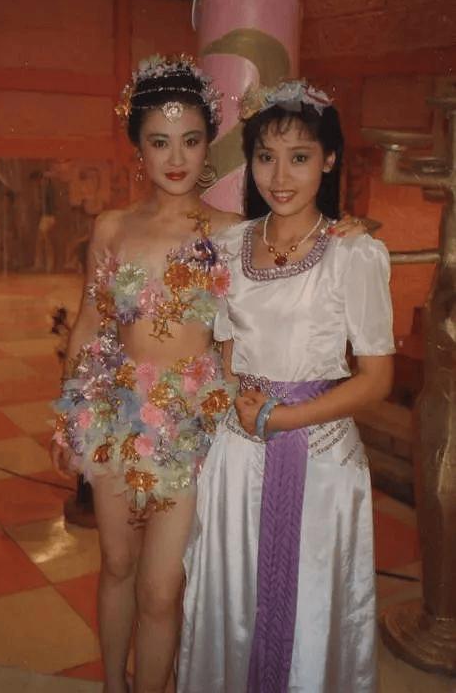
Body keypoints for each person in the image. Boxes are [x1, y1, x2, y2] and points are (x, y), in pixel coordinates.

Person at [51, 57, 364, 693]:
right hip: (113, 415)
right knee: (116, 564)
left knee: (162, 587)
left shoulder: (234, 235)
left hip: (196, 425)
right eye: (160, 142)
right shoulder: (111, 228)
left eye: (191, 141)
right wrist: (65, 417)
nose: (176, 158)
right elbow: (88, 324)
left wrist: (345, 232)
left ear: (208, 146)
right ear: (138, 147)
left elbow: (296, 248)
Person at [177, 81, 394, 693]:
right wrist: (233, 407)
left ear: (329, 159)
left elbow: (378, 380)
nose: (279, 176)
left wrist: (283, 418)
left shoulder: (355, 253)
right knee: (231, 602)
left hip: (321, 458)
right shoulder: (228, 246)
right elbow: (224, 351)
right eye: (265, 156)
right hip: (238, 454)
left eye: (299, 157)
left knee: (312, 611)